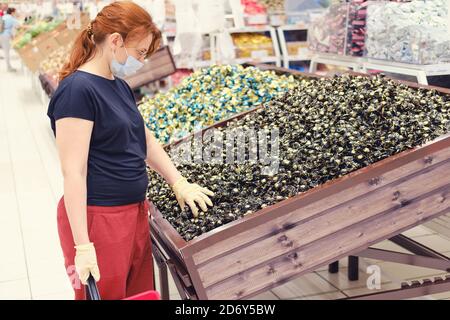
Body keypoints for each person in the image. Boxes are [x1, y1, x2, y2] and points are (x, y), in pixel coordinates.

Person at [47, 1, 214, 300]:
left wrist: (179, 182)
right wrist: (83, 245)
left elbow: (145, 140)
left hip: (134, 214)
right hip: (99, 220)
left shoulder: (119, 85)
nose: (142, 61)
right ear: (115, 41)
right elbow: (73, 172)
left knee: (137, 295)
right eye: (139, 53)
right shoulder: (77, 91)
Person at [0, 7, 20, 71]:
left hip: (1, 34)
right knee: (6, 52)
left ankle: (9, 67)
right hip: (5, 35)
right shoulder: (11, 18)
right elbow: (19, 26)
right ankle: (9, 67)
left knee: (6, 51)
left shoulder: (4, 16)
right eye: (15, 12)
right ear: (12, 12)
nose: (16, 13)